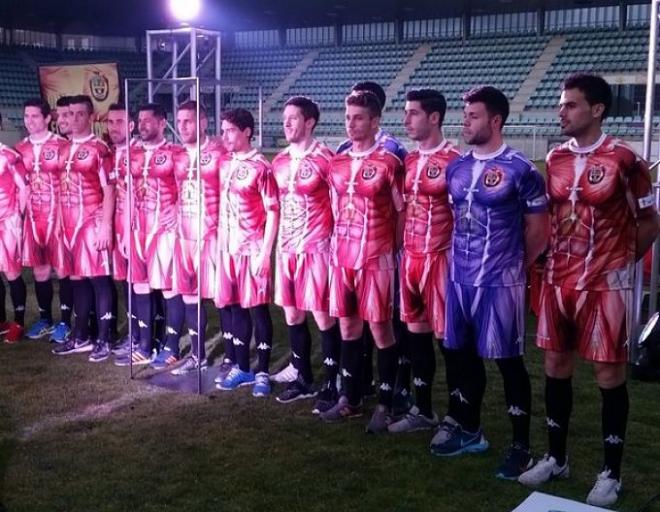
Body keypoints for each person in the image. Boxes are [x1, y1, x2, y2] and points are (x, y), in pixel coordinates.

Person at [518, 73, 660, 507]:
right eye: (562, 104)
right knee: (556, 365)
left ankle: (610, 474)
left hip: (605, 286)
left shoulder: (626, 160)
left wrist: (615, 263)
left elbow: (650, 221)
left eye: (571, 105)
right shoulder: (555, 158)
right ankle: (555, 458)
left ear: (597, 110)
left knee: (607, 375)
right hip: (558, 282)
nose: (561, 111)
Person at [430, 86, 549, 482]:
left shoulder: (521, 169)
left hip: (500, 283)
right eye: (464, 115)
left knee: (508, 363)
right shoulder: (457, 167)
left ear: (495, 120)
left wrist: (513, 267)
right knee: (461, 358)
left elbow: (538, 230)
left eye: (473, 116)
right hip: (459, 279)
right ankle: (470, 430)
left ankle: (520, 447)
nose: (465, 122)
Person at [320, 90, 404, 433]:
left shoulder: (389, 163)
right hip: (341, 259)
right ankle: (350, 400)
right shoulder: (336, 162)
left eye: (358, 118)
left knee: (381, 331)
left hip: (376, 259)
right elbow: (334, 209)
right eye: (347, 117)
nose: (351, 124)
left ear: (374, 121)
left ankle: (386, 403)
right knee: (347, 327)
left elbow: (401, 212)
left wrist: (390, 250)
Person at [388, 89, 461, 433]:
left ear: (434, 117)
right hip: (411, 259)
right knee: (416, 336)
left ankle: (457, 414)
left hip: (442, 260)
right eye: (406, 113)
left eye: (413, 113)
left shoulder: (456, 161)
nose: (406, 120)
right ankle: (423, 409)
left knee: (449, 341)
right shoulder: (409, 161)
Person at [271, 96, 341, 407]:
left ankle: (332, 380)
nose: (286, 123)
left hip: (317, 249)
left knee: (323, 317)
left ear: (309, 122)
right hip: (286, 250)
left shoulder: (327, 159)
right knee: (292, 313)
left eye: (293, 118)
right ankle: (303, 378)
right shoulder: (280, 161)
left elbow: (339, 207)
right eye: (284, 118)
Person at [151, 100, 225, 374]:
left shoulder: (219, 152)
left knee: (223, 298)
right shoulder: (178, 156)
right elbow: (176, 191)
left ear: (203, 122)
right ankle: (198, 355)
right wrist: (173, 206)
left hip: (215, 235)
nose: (182, 127)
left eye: (189, 121)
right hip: (185, 236)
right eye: (179, 122)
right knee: (190, 295)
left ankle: (232, 358)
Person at [215, 108, 279, 398]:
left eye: (229, 130)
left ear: (246, 132)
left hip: (253, 250)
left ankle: (263, 371)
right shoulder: (226, 164)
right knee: (235, 307)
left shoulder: (261, 167)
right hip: (230, 250)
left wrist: (265, 253)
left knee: (257, 309)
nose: (224, 135)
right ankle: (242, 368)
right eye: (223, 130)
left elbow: (273, 212)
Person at [114, 103, 182, 367]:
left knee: (167, 287)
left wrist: (175, 211)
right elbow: (127, 192)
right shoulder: (130, 154)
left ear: (162, 122)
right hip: (137, 229)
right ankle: (145, 344)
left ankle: (172, 346)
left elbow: (186, 189)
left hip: (164, 231)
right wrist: (124, 229)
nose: (141, 124)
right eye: (139, 120)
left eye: (147, 120)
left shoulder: (175, 153)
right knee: (140, 285)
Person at [50, 95, 116, 362]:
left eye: (80, 114)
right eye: (70, 114)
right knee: (77, 280)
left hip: (91, 224)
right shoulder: (63, 148)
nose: (74, 119)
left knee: (99, 280)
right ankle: (81, 336)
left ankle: (105, 338)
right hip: (68, 226)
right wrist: (57, 224)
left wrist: (106, 227)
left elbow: (109, 191)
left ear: (90, 117)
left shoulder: (100, 149)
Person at [15, 98, 71, 342]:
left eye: (35, 116)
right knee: (40, 272)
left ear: (48, 118)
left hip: (59, 217)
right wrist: (19, 217)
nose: (30, 121)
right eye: (26, 116)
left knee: (64, 270)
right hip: (34, 219)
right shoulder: (20, 149)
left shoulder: (62, 145)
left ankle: (66, 322)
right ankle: (46, 319)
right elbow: (20, 189)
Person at [105, 103, 140, 358]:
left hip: (137, 228)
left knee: (141, 283)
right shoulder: (110, 153)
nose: (113, 127)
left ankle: (145, 337)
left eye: (119, 122)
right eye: (110, 122)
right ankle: (133, 334)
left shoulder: (137, 153)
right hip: (117, 226)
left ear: (131, 125)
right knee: (126, 282)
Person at [0, 140, 28, 343]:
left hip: (8, 220)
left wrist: (20, 216)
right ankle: (1, 321)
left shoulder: (9, 155)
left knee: (12, 272)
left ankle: (18, 322)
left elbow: (24, 188)